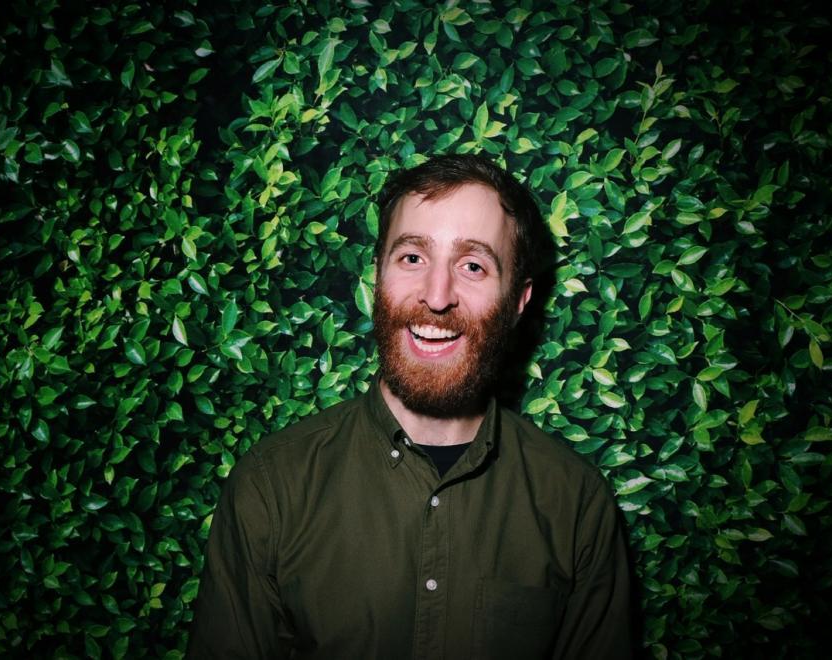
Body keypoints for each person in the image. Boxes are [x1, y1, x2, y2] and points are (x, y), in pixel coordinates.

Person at [187, 154, 632, 659]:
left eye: (472, 266)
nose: (436, 297)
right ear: (377, 273)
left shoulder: (575, 504)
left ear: (517, 301)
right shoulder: (271, 488)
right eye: (413, 258)